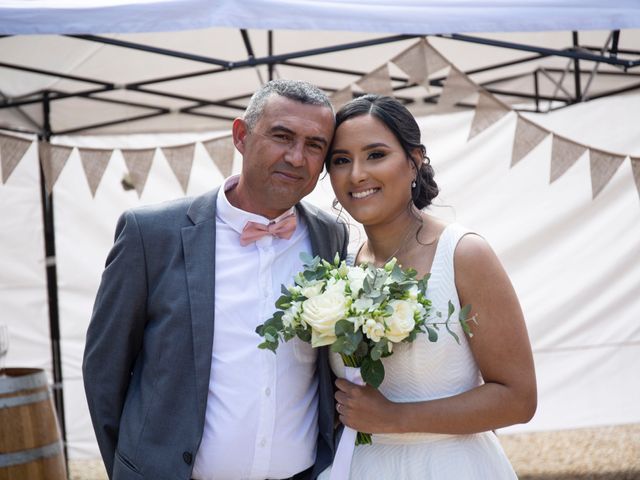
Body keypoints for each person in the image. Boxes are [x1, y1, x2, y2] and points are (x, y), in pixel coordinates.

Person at [83, 79, 348, 480]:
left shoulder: (331, 235)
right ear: (241, 136)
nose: (297, 157)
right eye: (282, 136)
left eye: (315, 145)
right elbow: (105, 370)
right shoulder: (152, 234)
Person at [320, 94, 537, 479]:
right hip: (361, 467)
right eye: (341, 160)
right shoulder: (342, 266)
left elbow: (518, 399)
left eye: (376, 155)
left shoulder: (464, 254)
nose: (356, 174)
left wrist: (394, 417)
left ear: (414, 161)